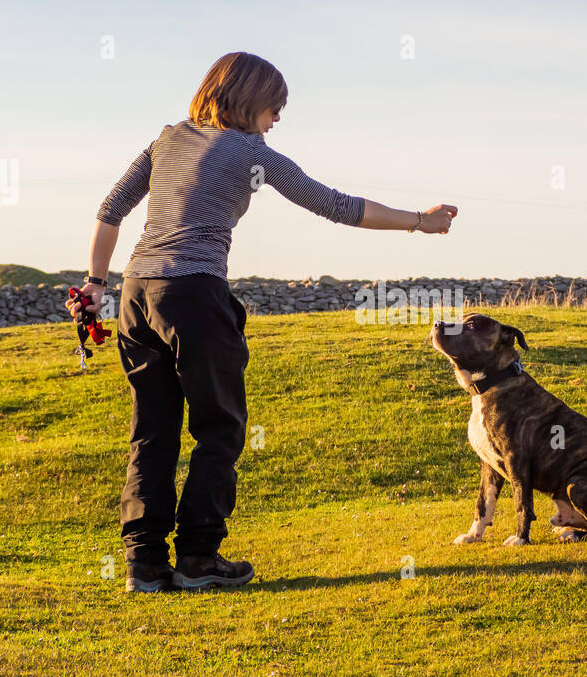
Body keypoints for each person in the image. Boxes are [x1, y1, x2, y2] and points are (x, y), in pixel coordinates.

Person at [66, 52, 457, 593]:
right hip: (194, 294)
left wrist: (95, 284)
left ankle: (145, 564)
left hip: (135, 292)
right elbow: (336, 205)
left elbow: (111, 210)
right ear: (251, 100)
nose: (278, 118)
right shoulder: (253, 152)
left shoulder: (167, 140)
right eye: (276, 106)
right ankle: (199, 557)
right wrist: (421, 222)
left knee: (152, 431)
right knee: (219, 427)